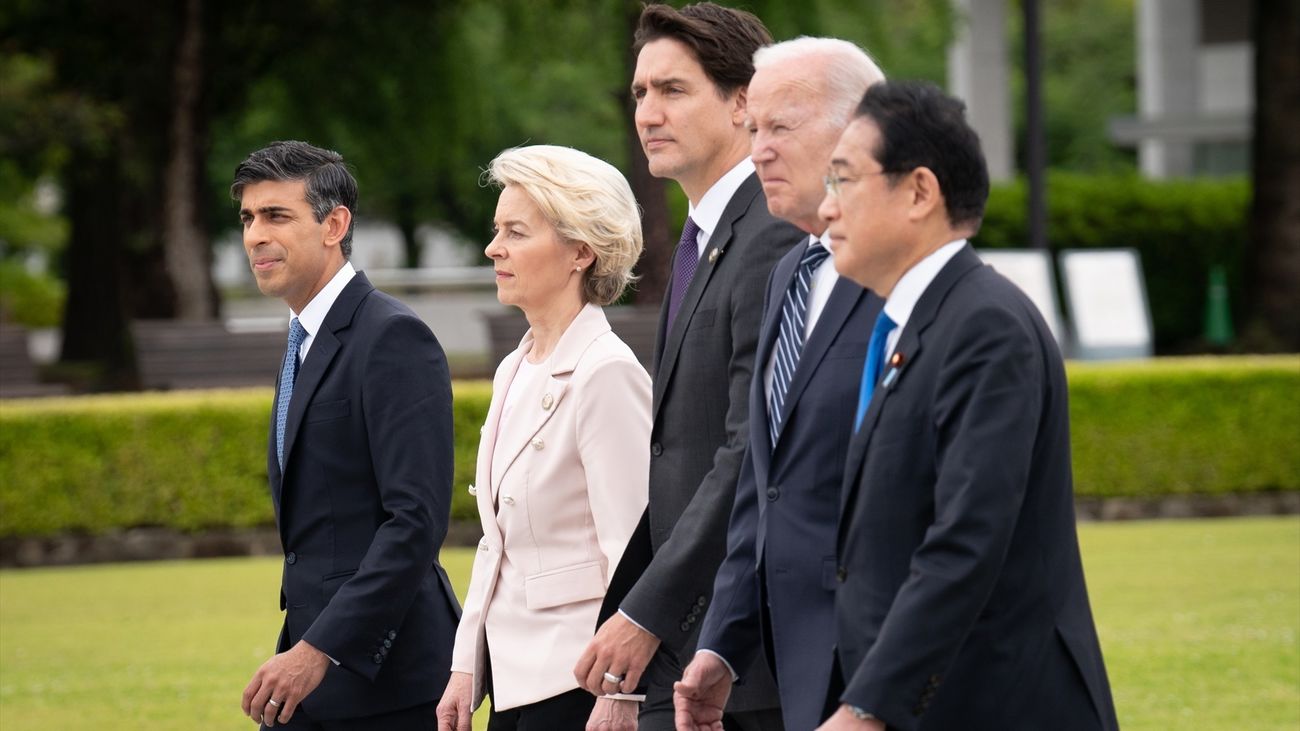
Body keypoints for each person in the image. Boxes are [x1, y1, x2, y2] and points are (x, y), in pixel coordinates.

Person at [814, 82, 1120, 731]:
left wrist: (868, 705)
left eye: (842, 181)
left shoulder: (985, 325)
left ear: (920, 192)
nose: (825, 209)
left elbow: (965, 540)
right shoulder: (917, 323)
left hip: (997, 701)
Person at [574, 4, 804, 730]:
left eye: (673, 90)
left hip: (751, 654)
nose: (648, 112)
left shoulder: (769, 235)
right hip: (691, 646)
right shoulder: (705, 236)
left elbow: (745, 451)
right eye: (641, 93)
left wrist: (649, 609)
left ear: (743, 103)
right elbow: (677, 454)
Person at [673, 38, 885, 731]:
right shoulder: (793, 273)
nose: (758, 149)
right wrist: (721, 647)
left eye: (780, 127)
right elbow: (765, 490)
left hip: (887, 667)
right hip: (800, 667)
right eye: (753, 127)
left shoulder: (907, 285)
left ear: (862, 128)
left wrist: (874, 695)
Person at [233, 140, 461, 729]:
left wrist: (320, 650)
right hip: (311, 670)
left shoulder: (393, 338)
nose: (255, 235)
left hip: (387, 681)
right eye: (248, 218)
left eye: (276, 215)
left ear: (335, 224)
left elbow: (415, 521)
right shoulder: (302, 341)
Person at [435, 145, 651, 731]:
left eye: (516, 232)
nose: (493, 248)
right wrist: (465, 668)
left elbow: (632, 547)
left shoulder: (607, 371)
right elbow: (496, 544)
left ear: (581, 251)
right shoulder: (514, 367)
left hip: (578, 684)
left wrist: (623, 694)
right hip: (510, 682)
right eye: (495, 229)